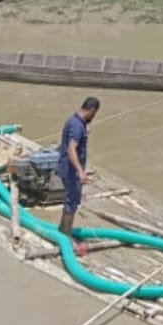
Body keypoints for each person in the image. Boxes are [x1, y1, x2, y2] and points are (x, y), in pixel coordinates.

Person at [56, 97, 101, 249]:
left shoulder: (77, 122)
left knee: (71, 199)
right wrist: (80, 171)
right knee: (72, 201)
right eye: (94, 114)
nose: (94, 117)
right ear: (92, 110)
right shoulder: (76, 126)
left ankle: (62, 230)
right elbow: (71, 149)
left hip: (68, 168)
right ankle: (66, 236)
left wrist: (86, 125)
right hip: (71, 170)